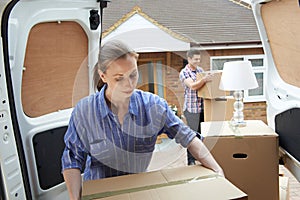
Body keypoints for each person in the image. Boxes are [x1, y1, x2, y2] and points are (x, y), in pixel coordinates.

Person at [61, 40, 224, 200]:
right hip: (100, 191)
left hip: (138, 189)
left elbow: (188, 138)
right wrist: (75, 198)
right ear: (103, 76)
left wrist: (217, 170)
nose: (129, 84)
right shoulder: (84, 111)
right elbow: (72, 158)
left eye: (133, 75)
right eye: (119, 78)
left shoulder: (153, 106)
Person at [179, 49, 214, 166]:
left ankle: (201, 158)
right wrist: (204, 79)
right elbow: (193, 86)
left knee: (202, 134)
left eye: (199, 59)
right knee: (192, 135)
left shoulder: (200, 70)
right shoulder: (184, 72)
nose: (198, 61)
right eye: (195, 59)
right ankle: (191, 160)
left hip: (202, 108)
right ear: (189, 59)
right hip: (191, 109)